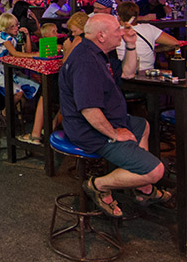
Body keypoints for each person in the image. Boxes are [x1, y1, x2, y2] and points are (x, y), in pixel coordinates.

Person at [59, 14, 168, 217]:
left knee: (142, 126)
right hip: (89, 130)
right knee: (155, 172)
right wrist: (114, 134)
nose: (122, 32)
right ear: (101, 36)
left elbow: (127, 72)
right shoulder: (85, 61)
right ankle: (98, 185)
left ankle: (141, 189)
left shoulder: (100, 54)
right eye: (117, 29)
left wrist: (131, 45)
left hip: (109, 120)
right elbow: (89, 110)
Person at [0, 13, 45, 144]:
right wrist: (36, 55)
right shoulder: (3, 36)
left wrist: (27, 36)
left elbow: (26, 52)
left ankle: (17, 115)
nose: (16, 28)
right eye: (12, 26)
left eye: (17, 25)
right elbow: (14, 53)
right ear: (5, 28)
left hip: (11, 70)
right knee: (18, 93)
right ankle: (5, 113)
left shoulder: (15, 35)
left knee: (34, 86)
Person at [115, 1, 182, 71]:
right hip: (147, 73)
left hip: (123, 74)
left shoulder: (114, 31)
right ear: (137, 15)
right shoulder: (149, 28)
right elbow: (175, 43)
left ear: (119, 16)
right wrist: (155, 49)